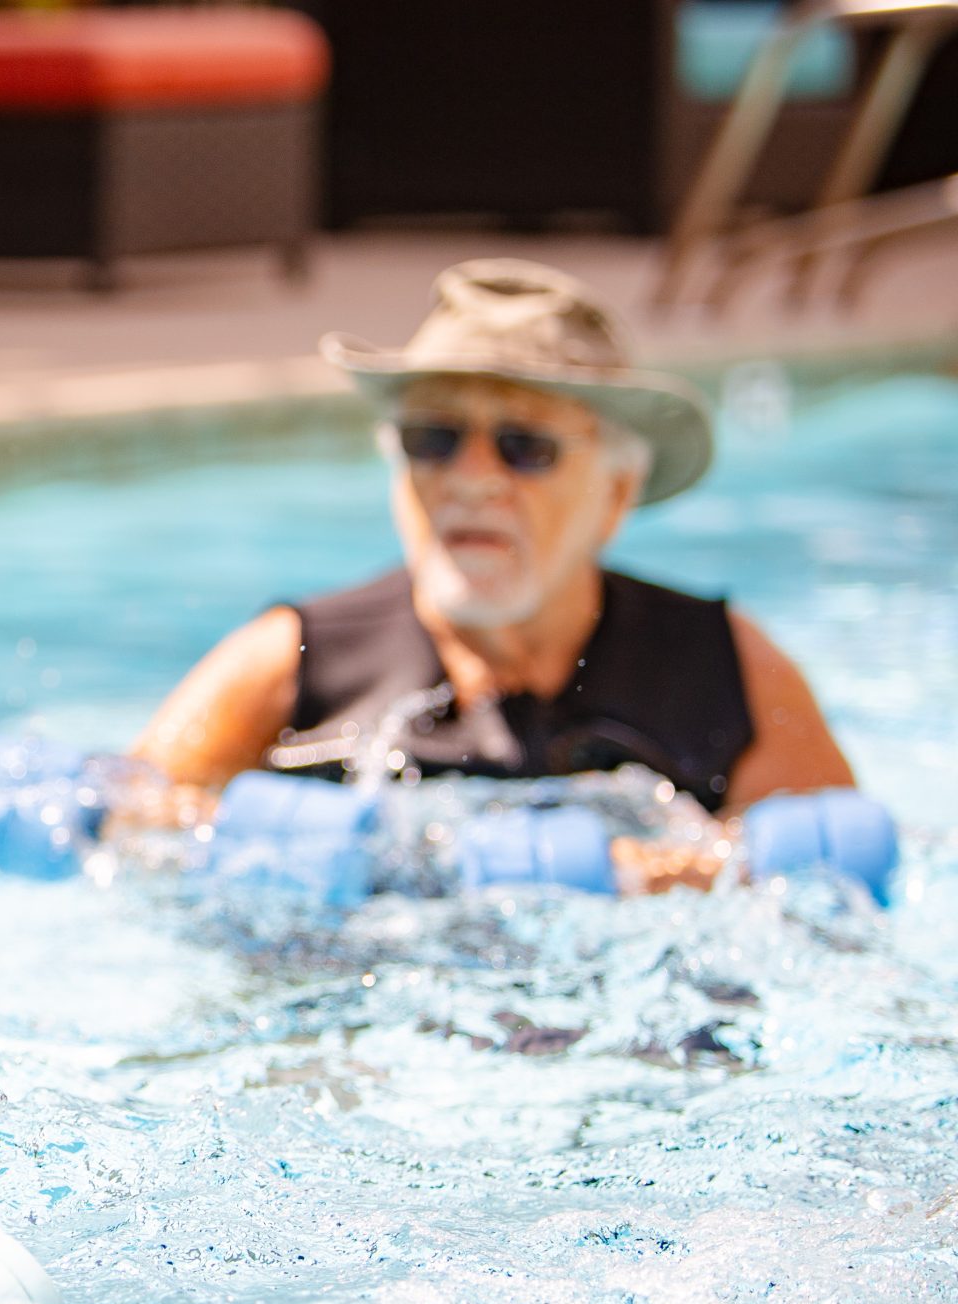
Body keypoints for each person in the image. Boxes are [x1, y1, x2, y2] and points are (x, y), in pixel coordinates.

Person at [129, 259, 854, 887]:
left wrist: (643, 872)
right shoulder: (292, 662)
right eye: (433, 439)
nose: (471, 480)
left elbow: (837, 871)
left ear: (617, 492)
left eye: (524, 445)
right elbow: (125, 827)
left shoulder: (724, 670)